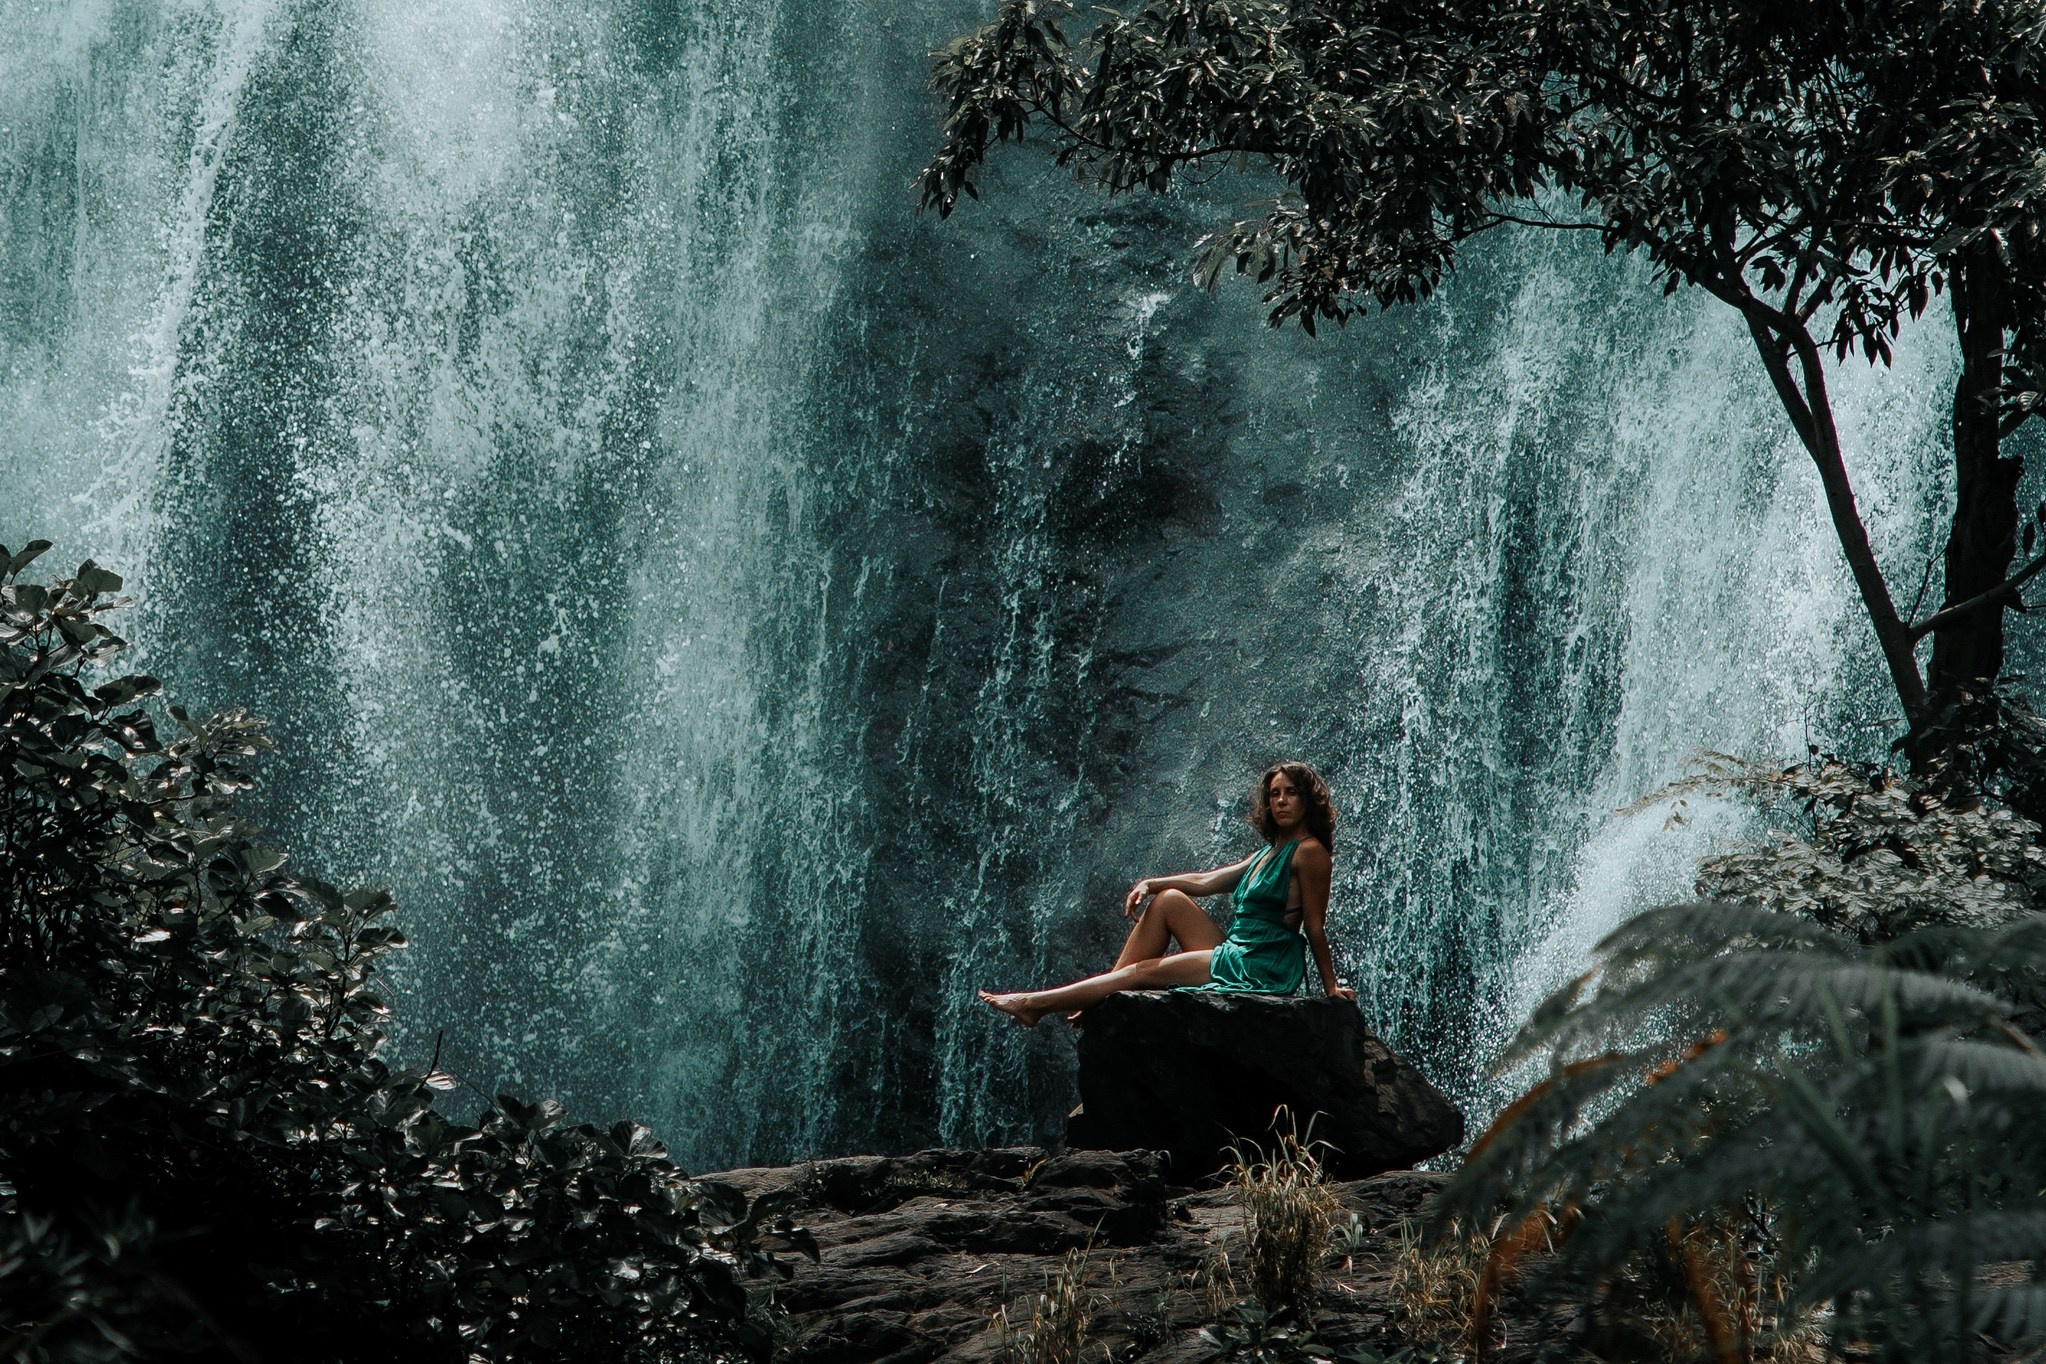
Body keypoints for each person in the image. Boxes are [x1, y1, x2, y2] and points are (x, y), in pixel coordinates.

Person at [979, 761, 1356, 1026]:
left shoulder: (1310, 852)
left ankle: (1034, 1005)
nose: (1280, 801)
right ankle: (1098, 997)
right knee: (1169, 901)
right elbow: (1206, 881)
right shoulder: (1268, 852)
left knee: (1142, 972)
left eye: (1291, 793)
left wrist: (1330, 987)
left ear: (1307, 799)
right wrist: (1151, 883)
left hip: (1261, 964)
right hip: (1238, 950)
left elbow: (1315, 926)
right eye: (1274, 794)